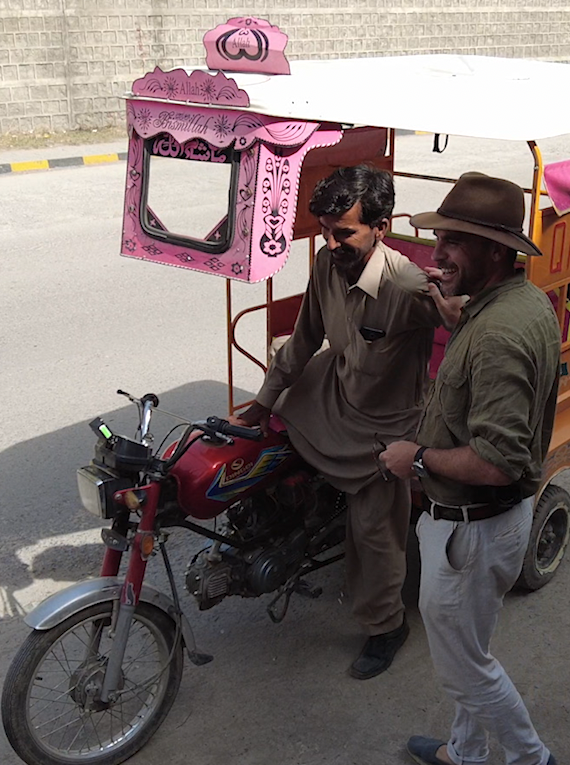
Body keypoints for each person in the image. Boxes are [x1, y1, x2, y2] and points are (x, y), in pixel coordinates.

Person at [235, 164, 449, 680]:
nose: (332, 243)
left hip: (385, 424)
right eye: (326, 232)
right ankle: (290, 528)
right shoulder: (327, 265)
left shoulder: (409, 286)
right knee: (263, 441)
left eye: (344, 232)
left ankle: (386, 626)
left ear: (381, 225)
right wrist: (263, 401)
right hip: (334, 389)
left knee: (375, 533)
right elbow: (306, 337)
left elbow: (467, 325)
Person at [381, 172, 561, 765]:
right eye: (440, 238)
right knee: (470, 652)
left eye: (455, 241)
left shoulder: (500, 333)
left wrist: (417, 458)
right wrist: (455, 314)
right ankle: (467, 753)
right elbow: (484, 349)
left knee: (466, 673)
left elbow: (498, 460)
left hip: (471, 531)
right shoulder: (516, 302)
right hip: (485, 527)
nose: (437, 254)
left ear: (495, 250)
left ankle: (531, 760)